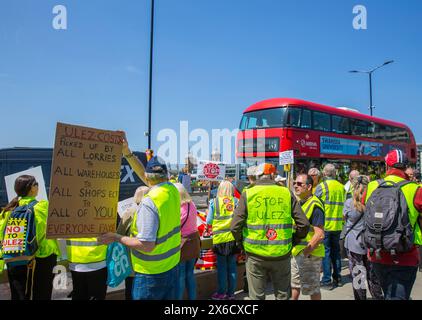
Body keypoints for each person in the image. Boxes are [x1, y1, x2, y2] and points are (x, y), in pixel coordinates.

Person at [100, 156, 181, 300]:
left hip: (150, 273)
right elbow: (146, 175)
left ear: (146, 177)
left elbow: (146, 245)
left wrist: (116, 237)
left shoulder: (149, 202)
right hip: (172, 266)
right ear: (166, 176)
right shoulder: (172, 190)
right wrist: (127, 153)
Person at [231, 163, 310, 300]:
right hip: (281, 254)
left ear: (257, 176)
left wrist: (241, 243)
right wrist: (293, 240)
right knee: (283, 296)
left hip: (255, 254)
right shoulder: (285, 192)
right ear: (273, 175)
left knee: (256, 297)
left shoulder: (248, 193)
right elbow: (303, 224)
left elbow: (235, 227)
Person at [364, 150, 422, 300]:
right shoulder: (415, 189)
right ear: (405, 167)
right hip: (405, 256)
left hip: (376, 254)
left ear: (386, 165)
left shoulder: (371, 186)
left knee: (388, 293)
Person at [0, 175, 60, 300]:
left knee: (19, 295)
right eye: (36, 184)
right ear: (32, 189)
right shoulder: (42, 206)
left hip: (14, 258)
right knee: (41, 294)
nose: (38, 186)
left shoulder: (8, 210)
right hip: (41, 258)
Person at [343, 175, 383, 300]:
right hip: (370, 243)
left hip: (354, 244)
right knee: (373, 276)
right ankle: (378, 296)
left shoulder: (349, 203)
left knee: (358, 276)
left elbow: (345, 219)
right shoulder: (373, 202)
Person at [291, 174, 325, 300]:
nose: (295, 185)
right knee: (294, 285)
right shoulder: (301, 202)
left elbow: (319, 234)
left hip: (310, 254)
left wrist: (305, 252)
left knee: (312, 289)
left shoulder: (315, 205)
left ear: (309, 186)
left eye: (300, 184)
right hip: (298, 252)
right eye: (295, 183)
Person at [206, 181, 239, 300]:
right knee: (232, 267)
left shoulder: (214, 202)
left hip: (219, 239)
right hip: (233, 239)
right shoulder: (236, 202)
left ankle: (221, 293)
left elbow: (209, 221)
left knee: (222, 268)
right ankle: (231, 294)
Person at [315, 164, 346, 289]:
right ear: (334, 173)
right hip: (338, 225)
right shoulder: (341, 187)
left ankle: (326, 280)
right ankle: (338, 278)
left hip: (326, 225)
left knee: (326, 253)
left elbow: (314, 203)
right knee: (336, 252)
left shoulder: (321, 186)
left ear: (324, 173)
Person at [116, 186, 150, 300]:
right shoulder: (154, 212)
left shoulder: (129, 212)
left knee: (130, 290)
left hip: (132, 258)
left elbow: (119, 232)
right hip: (149, 260)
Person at [174, 183, 200, 300]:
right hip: (194, 242)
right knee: (190, 275)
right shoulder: (192, 204)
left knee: (180, 277)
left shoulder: (178, 208)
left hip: (183, 244)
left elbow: (175, 227)